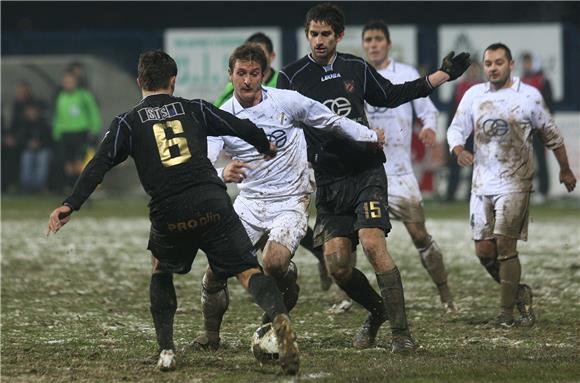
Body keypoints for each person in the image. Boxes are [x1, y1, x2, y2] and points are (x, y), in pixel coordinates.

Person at [46, 50, 300, 375]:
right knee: (248, 270)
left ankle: (167, 349)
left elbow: (100, 163)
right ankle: (279, 319)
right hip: (212, 200)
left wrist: (71, 203)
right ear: (173, 80)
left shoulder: (127, 121)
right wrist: (265, 145)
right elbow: (241, 126)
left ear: (140, 82)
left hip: (170, 210)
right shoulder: (194, 108)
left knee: (160, 270)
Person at [277, 3, 470, 352]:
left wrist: (442, 76)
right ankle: (377, 312)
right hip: (330, 181)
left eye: (326, 34)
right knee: (337, 265)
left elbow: (394, 95)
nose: (319, 41)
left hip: (366, 172)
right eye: (313, 34)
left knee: (371, 244)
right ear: (307, 35)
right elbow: (284, 126)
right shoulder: (290, 76)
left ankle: (401, 334)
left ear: (339, 36)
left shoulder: (356, 68)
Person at [193, 43, 384, 351]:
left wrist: (369, 135)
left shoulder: (286, 101)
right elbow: (203, 163)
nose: (247, 81)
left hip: (290, 200)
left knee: (273, 262)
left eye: (254, 74)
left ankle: (285, 282)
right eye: (240, 73)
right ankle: (209, 335)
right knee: (216, 270)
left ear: (263, 74)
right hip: (248, 204)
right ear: (230, 75)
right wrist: (221, 173)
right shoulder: (220, 117)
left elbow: (329, 120)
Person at [447, 43, 576, 327]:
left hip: (516, 181)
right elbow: (456, 128)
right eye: (488, 63)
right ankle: (519, 294)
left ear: (511, 64)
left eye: (498, 62)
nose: (493, 68)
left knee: (506, 246)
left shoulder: (528, 96)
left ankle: (506, 315)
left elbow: (552, 135)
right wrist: (458, 150)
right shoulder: (473, 95)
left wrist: (565, 169)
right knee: (484, 251)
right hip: (481, 184)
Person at [361, 20, 457, 313]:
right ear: (363, 45)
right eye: (368, 40)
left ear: (388, 44)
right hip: (365, 173)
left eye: (378, 39)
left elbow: (427, 109)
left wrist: (428, 127)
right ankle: (345, 298)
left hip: (400, 172)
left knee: (419, 235)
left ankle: (445, 293)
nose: (374, 44)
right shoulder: (357, 75)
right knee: (355, 236)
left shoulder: (405, 74)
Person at [52, 70, 102, 190]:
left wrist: (95, 129)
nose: (68, 84)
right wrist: (56, 132)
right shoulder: (61, 97)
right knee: (68, 164)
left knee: (79, 163)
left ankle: (82, 189)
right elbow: (58, 116)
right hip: (65, 133)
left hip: (80, 132)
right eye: (66, 82)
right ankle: (71, 188)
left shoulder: (84, 95)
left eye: (70, 82)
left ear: (76, 83)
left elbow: (93, 113)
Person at [445, 61, 482, 202]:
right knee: (455, 165)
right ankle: (450, 195)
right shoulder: (459, 87)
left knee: (476, 167)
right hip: (461, 133)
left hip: (477, 134)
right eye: (471, 69)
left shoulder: (484, 88)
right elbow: (451, 110)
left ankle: (471, 195)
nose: (473, 72)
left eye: (475, 69)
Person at [521, 52, 554, 203]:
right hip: (523, 128)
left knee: (541, 159)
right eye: (524, 62)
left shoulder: (543, 81)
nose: (526, 65)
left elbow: (549, 105)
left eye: (528, 62)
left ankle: (543, 191)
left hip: (539, 127)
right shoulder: (521, 81)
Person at [214, 32, 279, 107]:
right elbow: (217, 110)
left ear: (272, 56)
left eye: (261, 54)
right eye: (250, 54)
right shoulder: (234, 86)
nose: (254, 59)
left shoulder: (281, 82)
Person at [18, 103, 53, 193]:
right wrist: (29, 144)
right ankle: (26, 186)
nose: (31, 113)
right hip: (28, 149)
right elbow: (20, 138)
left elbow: (49, 139)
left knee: (43, 158)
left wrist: (39, 144)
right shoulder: (23, 123)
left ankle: (39, 186)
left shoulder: (44, 123)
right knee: (26, 157)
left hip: (42, 149)